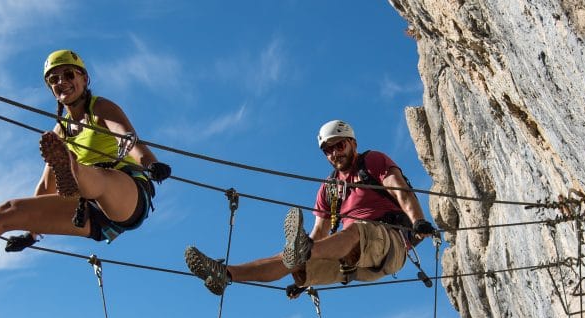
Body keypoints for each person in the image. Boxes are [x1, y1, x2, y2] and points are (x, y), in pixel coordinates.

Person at [0, 49, 169, 261]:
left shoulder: (100, 107)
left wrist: (152, 165)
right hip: (91, 214)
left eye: (68, 74)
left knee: (96, 177)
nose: (61, 82)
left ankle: (73, 171)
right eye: (54, 79)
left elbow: (127, 137)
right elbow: (45, 185)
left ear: (84, 78)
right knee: (8, 210)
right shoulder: (59, 131)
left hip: (125, 191)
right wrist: (31, 234)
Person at [185, 119, 438, 295]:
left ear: (353, 143)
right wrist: (303, 276)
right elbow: (319, 234)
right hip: (355, 263)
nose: (334, 153)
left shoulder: (372, 161)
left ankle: (301, 252)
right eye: (328, 150)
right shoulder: (329, 188)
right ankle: (225, 274)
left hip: (388, 243)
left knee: (352, 232)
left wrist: (418, 220)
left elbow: (399, 189)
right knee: (290, 259)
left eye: (339, 145)